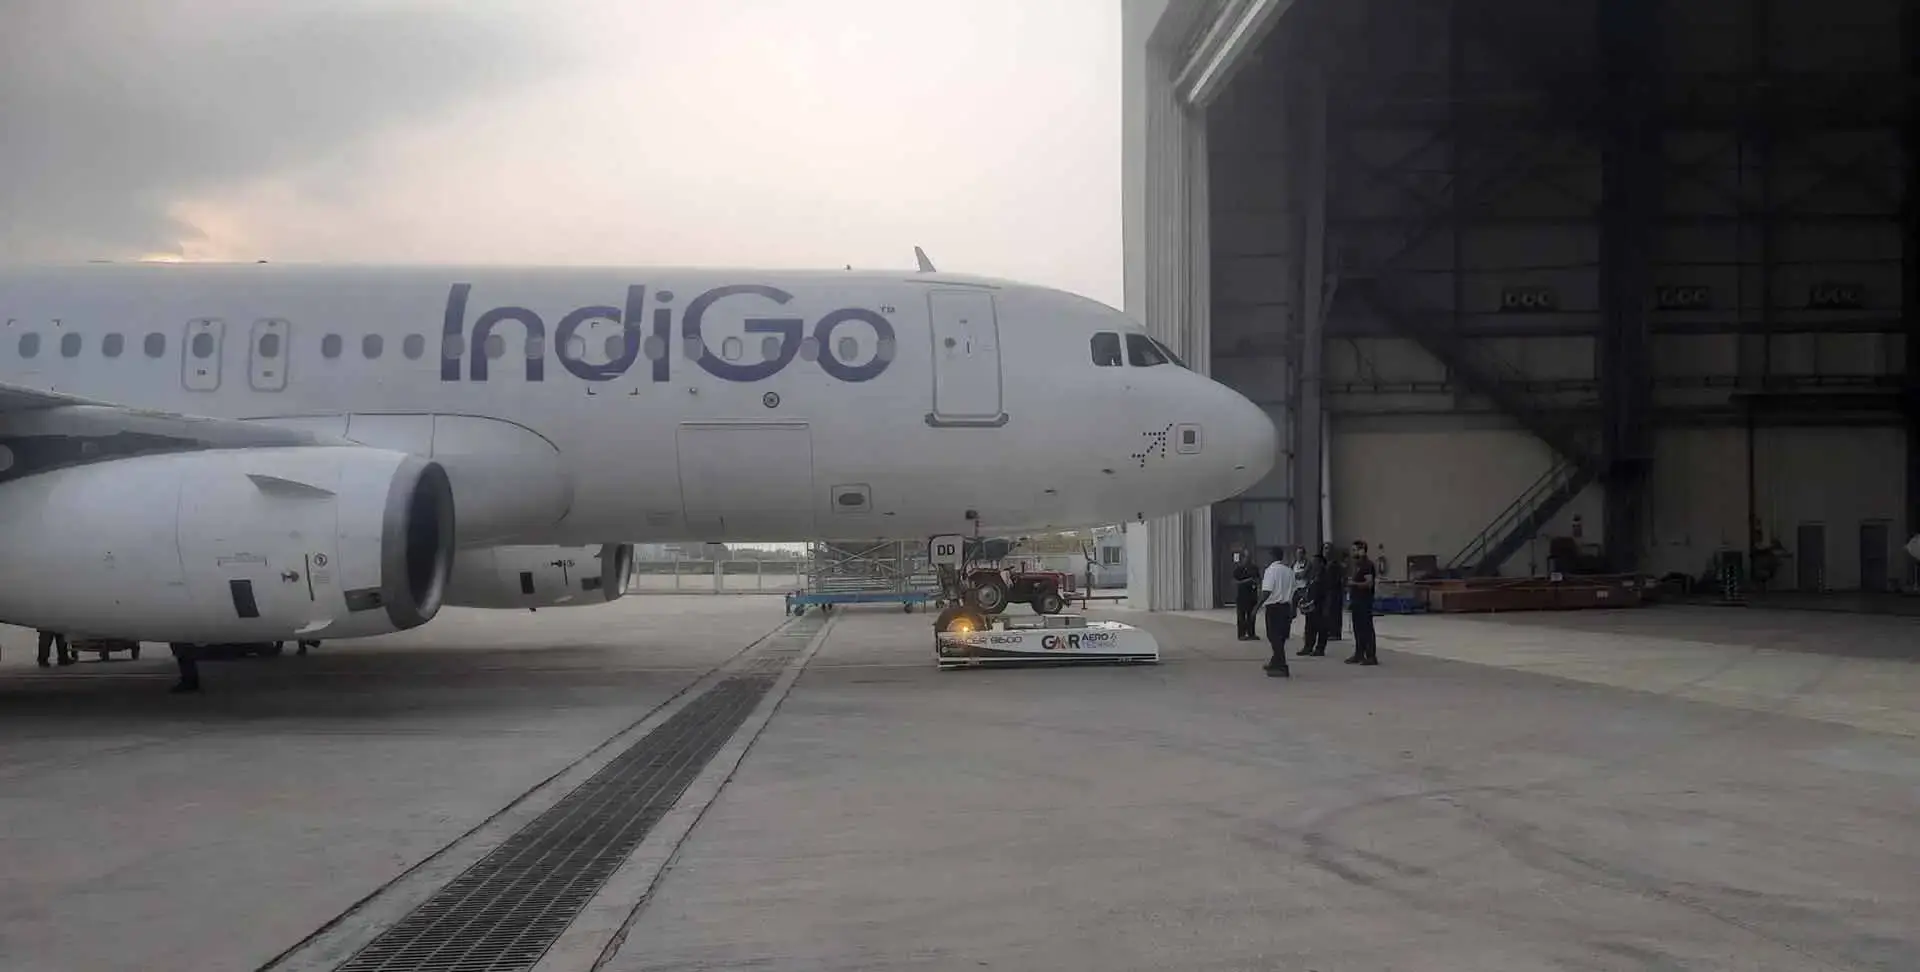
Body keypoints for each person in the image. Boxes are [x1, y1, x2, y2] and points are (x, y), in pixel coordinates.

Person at [1257, 546, 1298, 677]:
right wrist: (1294, 608)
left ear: (1272, 556)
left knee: (1273, 636)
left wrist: (1256, 607)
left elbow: (1266, 592)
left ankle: (1282, 665)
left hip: (1274, 608)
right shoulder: (1289, 571)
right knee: (1281, 636)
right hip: (1286, 607)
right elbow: (1295, 592)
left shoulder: (1271, 570)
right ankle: (1275, 661)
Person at [1344, 539, 1379, 666]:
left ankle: (1371, 655)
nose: (1353, 553)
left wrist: (1354, 584)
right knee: (1357, 628)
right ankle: (1359, 653)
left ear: (1362, 550)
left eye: (1355, 550)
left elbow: (1369, 583)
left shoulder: (1367, 565)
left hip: (1365, 601)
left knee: (1366, 628)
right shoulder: (1357, 565)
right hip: (1356, 600)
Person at [1297, 552, 1332, 656]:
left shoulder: (1326, 575)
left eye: (1315, 562)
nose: (1313, 564)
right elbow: (1309, 587)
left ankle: (1320, 649)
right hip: (1311, 605)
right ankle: (1308, 647)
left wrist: (1327, 607)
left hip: (1321, 605)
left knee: (1321, 627)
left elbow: (1328, 592)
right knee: (1309, 627)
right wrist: (1304, 598)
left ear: (1321, 563)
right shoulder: (1312, 574)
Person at [1230, 551, 1260, 641]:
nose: (1248, 559)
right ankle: (1241, 634)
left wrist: (1256, 582)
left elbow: (1258, 579)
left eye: (1249, 557)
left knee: (1251, 616)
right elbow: (1234, 582)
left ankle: (1251, 633)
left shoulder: (1254, 568)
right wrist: (1247, 581)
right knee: (1241, 616)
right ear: (1243, 558)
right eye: (1246, 557)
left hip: (1252, 595)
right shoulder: (1238, 569)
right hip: (1242, 596)